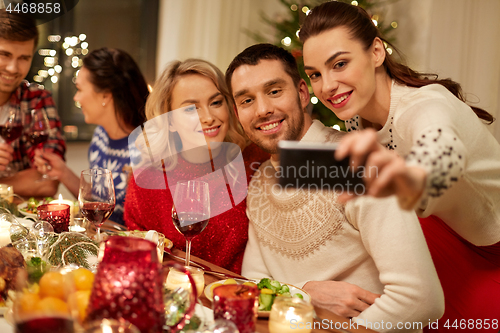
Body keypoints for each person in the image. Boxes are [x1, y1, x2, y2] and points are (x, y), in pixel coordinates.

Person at [299, 2, 500, 329]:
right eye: (315, 75)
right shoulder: (357, 119)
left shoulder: (425, 106)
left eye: (340, 64)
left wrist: (405, 179)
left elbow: (444, 156)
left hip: (490, 262)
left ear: (376, 51)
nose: (327, 86)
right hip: (435, 252)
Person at [225, 43, 443, 332]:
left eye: (274, 91)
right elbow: (254, 284)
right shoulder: (261, 179)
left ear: (302, 93)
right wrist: (303, 294)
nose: (263, 109)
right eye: (246, 100)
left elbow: (422, 299)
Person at [123, 58, 269, 274]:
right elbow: (137, 253)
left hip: (240, 295)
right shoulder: (149, 178)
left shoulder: (255, 159)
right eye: (191, 109)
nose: (209, 117)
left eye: (216, 102)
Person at [34, 47, 148, 225]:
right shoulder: (101, 135)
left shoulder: (147, 147)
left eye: (79, 89)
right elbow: (98, 204)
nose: (76, 98)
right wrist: (62, 171)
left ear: (105, 95)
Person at [0, 9, 65, 197]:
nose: (13, 68)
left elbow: (47, 181)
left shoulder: (37, 98)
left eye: (23, 58)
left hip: (21, 222)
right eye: (4, 54)